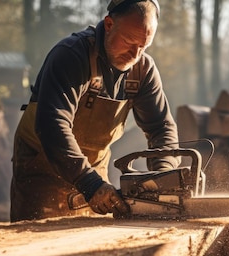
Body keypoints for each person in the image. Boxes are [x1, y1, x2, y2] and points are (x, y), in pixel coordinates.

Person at [10, 0, 179, 221]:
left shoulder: (143, 70)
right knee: (33, 241)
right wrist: (89, 183)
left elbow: (161, 128)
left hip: (94, 168)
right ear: (109, 24)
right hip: (43, 166)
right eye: (129, 41)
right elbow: (52, 124)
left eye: (144, 46)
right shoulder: (71, 55)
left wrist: (162, 176)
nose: (135, 54)